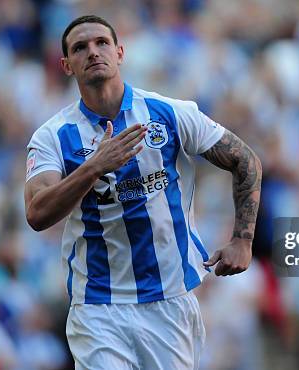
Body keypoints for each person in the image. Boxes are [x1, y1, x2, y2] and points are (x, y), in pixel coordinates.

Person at [23, 15, 262, 370]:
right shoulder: (52, 137)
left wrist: (243, 240)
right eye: (80, 48)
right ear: (66, 65)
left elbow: (245, 160)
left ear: (119, 52)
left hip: (170, 302)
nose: (93, 52)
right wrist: (93, 167)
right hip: (97, 308)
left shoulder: (169, 113)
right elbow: (37, 214)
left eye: (102, 43)